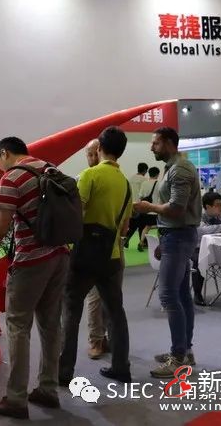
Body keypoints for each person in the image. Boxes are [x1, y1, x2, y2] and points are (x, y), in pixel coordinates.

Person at [0, 137, 69, 419]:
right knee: (51, 324)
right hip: (60, 255)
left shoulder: (12, 178)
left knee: (17, 325)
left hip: (31, 261)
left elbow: (0, 229)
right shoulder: (50, 168)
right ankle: (48, 389)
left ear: (4, 153)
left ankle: (16, 398)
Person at [60, 127, 132, 386]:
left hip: (84, 256)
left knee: (71, 310)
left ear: (99, 147)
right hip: (111, 256)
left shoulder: (89, 175)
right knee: (115, 312)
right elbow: (124, 228)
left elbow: (74, 216)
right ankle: (121, 367)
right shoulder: (125, 184)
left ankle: (64, 372)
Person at [135, 127, 201, 378]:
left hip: (179, 236)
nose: (152, 147)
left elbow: (176, 209)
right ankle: (184, 351)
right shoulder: (173, 167)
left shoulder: (180, 169)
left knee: (169, 296)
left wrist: (148, 207)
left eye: (156, 143)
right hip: (175, 235)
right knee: (181, 294)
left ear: (169, 143)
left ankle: (178, 357)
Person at [79, 139, 110, 361]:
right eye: (88, 154)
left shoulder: (110, 177)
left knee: (105, 297)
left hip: (108, 246)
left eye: (94, 153)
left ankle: (101, 338)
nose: (92, 158)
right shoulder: (85, 177)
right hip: (92, 247)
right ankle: (96, 340)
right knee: (96, 297)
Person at [193, 192, 221, 306]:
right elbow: (201, 231)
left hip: (218, 248)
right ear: (208, 206)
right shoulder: (198, 216)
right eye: (218, 205)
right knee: (198, 260)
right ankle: (197, 294)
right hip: (198, 247)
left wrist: (213, 229)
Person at [134, 167, 162, 251]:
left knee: (146, 227)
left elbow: (140, 196)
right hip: (156, 209)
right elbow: (161, 196)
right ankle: (160, 245)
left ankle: (141, 243)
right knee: (160, 228)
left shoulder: (144, 183)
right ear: (157, 174)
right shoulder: (159, 184)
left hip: (146, 209)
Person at [123, 163, 148, 249]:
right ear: (145, 170)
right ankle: (142, 242)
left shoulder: (131, 178)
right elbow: (145, 193)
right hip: (140, 204)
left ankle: (127, 240)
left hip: (131, 204)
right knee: (141, 224)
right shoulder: (144, 180)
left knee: (133, 224)